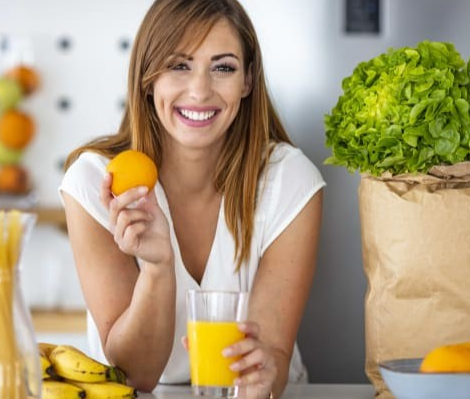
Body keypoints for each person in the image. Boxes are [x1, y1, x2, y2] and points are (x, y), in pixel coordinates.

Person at [59, 0, 324, 397]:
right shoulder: (97, 181)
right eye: (178, 65)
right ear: (148, 77)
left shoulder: (288, 180)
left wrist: (264, 371)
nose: (199, 91)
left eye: (223, 67)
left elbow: (271, 355)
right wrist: (157, 267)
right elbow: (135, 377)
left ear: (247, 81)